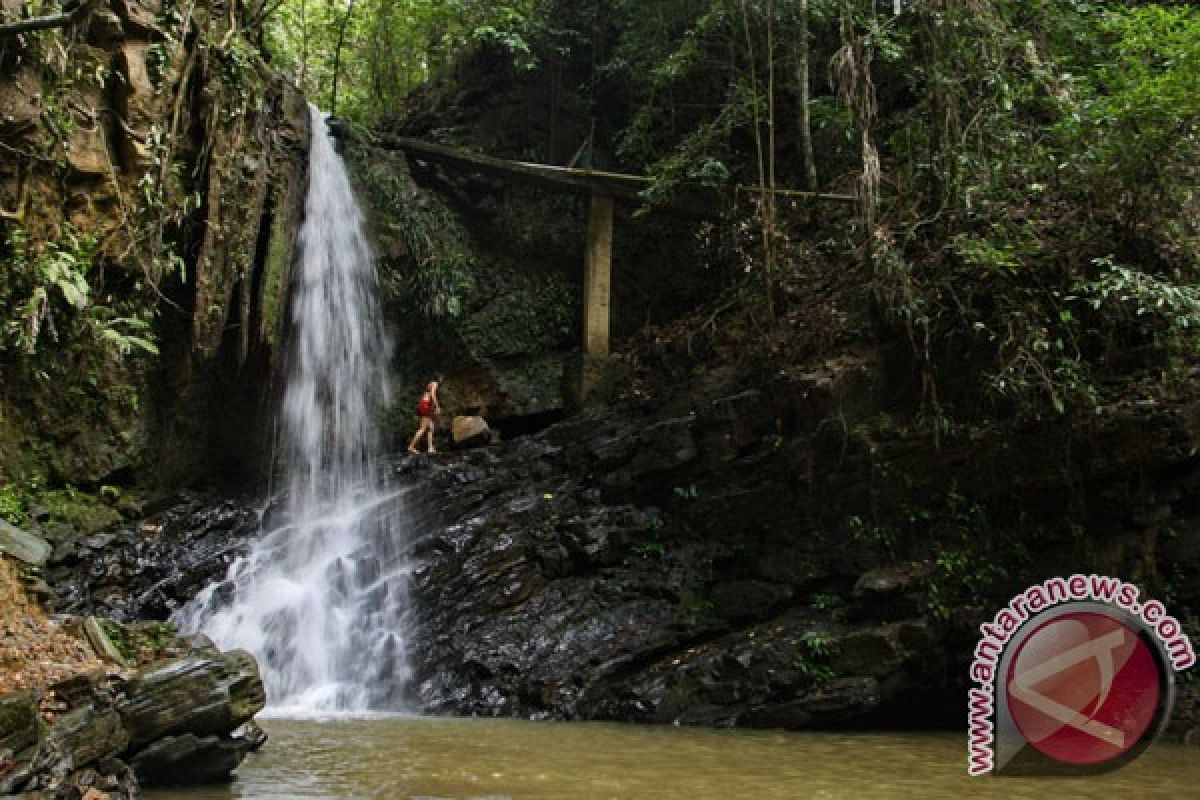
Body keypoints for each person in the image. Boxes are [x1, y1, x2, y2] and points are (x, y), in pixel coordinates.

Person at [407, 380, 441, 454]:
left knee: (430, 427)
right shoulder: (435, 383)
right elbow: (432, 394)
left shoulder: (429, 385)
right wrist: (437, 406)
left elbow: (429, 395)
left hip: (423, 405)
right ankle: (411, 446)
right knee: (423, 428)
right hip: (425, 405)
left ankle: (430, 448)